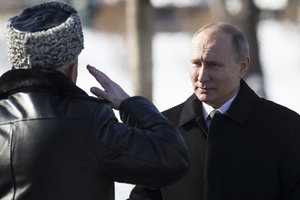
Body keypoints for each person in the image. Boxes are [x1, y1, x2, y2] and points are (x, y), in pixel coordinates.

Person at [0, 1, 189, 200]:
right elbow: (173, 157)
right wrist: (129, 104)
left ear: (14, 65)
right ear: (72, 69)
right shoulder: (91, 122)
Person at [129, 22, 300, 200]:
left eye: (213, 65)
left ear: (243, 66)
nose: (202, 77)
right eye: (196, 63)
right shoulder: (165, 127)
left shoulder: (285, 128)